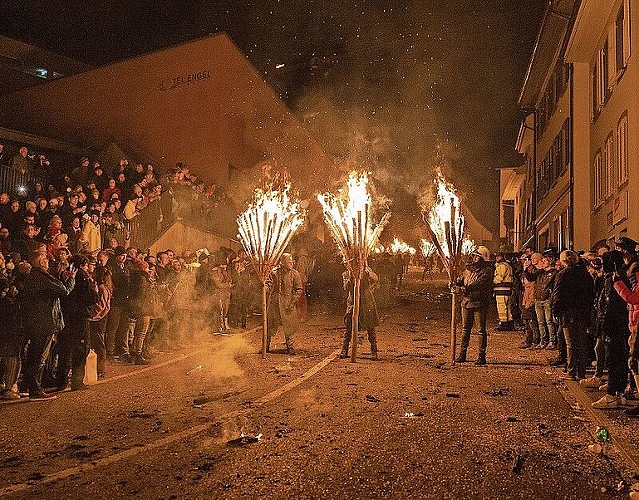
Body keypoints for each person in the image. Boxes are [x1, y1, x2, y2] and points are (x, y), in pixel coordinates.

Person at [20, 253, 75, 400]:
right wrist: (71, 279)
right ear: (40, 263)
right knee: (39, 357)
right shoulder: (41, 277)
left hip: (37, 321)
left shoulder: (34, 277)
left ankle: (29, 386)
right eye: (44, 259)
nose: (47, 262)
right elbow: (64, 290)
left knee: (35, 355)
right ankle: (35, 390)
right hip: (44, 322)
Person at [588, 251, 630, 408]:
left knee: (614, 359)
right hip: (620, 323)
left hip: (614, 324)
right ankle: (618, 391)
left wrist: (602, 325)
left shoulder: (612, 279)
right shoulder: (621, 276)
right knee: (619, 358)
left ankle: (612, 394)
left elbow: (608, 304)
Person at [56, 255, 99, 391]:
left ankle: (61, 381)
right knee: (81, 348)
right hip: (79, 317)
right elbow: (91, 297)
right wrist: (95, 291)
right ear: (82, 265)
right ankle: (77, 381)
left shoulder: (64, 274)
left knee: (65, 348)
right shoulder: (82, 277)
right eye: (87, 265)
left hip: (66, 316)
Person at [551, 250, 594, 381]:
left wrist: (555, 310)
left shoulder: (563, 274)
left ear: (563, 260)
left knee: (570, 343)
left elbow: (558, 293)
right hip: (582, 312)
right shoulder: (586, 275)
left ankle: (571, 371)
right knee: (581, 342)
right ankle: (581, 372)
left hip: (567, 312)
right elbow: (591, 294)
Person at [455, 246, 493, 365]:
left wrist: (465, 288)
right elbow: (461, 280)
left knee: (480, 330)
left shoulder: (487, 271)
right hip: (467, 301)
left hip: (479, 302)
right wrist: (455, 281)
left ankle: (481, 356)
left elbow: (479, 284)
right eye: (474, 255)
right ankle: (462, 354)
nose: (474, 258)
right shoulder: (468, 270)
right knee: (465, 329)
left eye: (477, 256)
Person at [340, 264, 380, 360]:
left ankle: (374, 351)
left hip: (367, 302)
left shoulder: (366, 271)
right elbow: (346, 287)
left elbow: (375, 279)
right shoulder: (346, 274)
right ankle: (344, 349)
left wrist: (367, 273)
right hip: (353, 302)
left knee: (370, 326)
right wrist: (350, 277)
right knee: (349, 327)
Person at [266, 253, 303, 354]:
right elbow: (269, 284)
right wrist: (265, 288)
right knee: (270, 325)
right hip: (275, 303)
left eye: (292, 261)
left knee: (289, 326)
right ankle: (266, 346)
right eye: (289, 261)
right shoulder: (274, 273)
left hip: (288, 303)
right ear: (283, 262)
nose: (291, 263)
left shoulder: (295, 274)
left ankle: (290, 347)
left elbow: (298, 289)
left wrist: (292, 302)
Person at [89, 265, 113, 378]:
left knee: (99, 343)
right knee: (96, 343)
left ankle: (100, 368)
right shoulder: (101, 286)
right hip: (98, 318)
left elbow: (101, 306)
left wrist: (92, 315)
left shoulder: (103, 288)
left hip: (98, 319)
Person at [493, 252, 514, 331]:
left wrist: (493, 281)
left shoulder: (501, 266)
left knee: (502, 307)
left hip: (501, 290)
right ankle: (510, 324)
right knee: (508, 308)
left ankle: (504, 324)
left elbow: (499, 278)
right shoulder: (508, 265)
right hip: (507, 290)